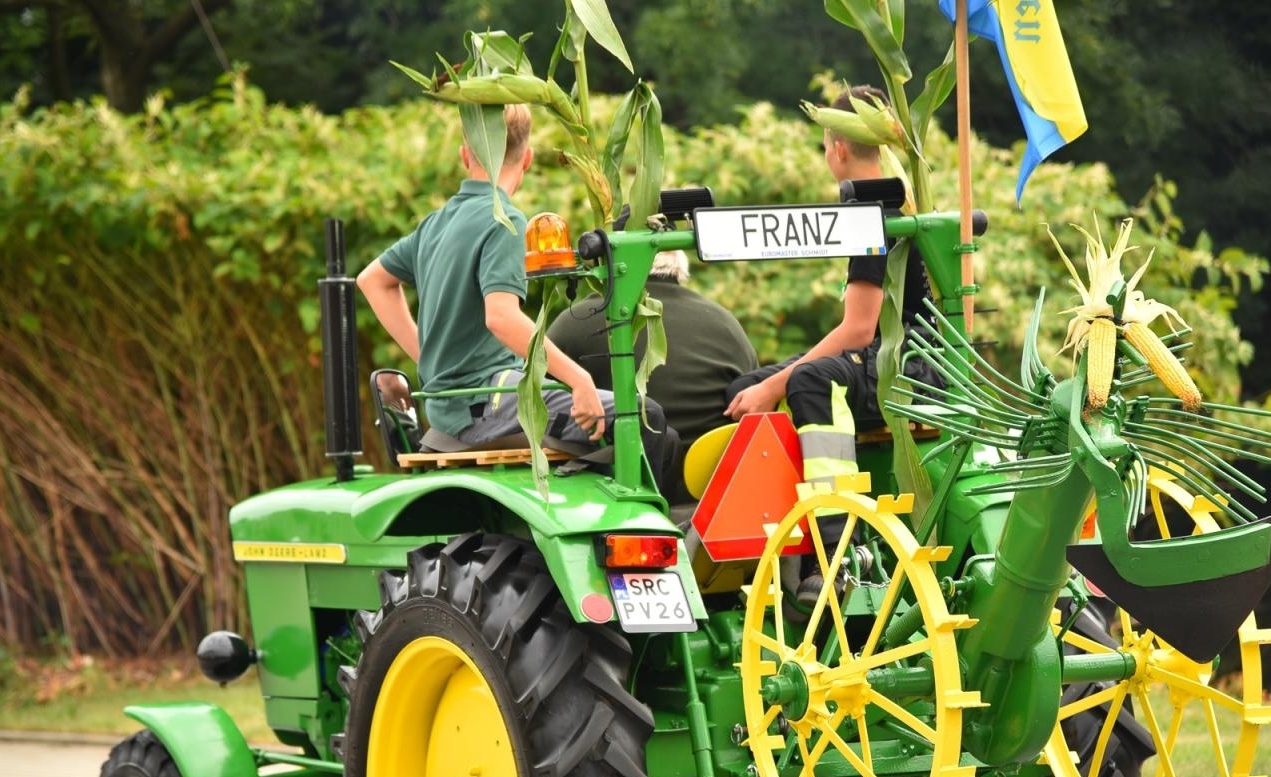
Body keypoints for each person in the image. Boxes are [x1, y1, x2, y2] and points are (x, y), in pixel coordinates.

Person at [356, 103, 677, 494]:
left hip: (452, 404)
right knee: (646, 418)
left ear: (464, 154)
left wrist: (427, 356)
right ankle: (646, 542)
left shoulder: (436, 223)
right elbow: (502, 318)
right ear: (526, 159)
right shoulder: (505, 220)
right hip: (488, 405)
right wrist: (578, 378)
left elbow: (372, 280)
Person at [723, 84, 940, 491]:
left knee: (809, 379)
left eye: (825, 148)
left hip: (906, 365)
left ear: (839, 149)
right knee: (744, 390)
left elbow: (858, 330)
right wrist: (765, 386)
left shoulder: (872, 215)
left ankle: (836, 524)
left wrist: (777, 384)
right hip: (879, 357)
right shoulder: (891, 202)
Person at [547, 249, 757, 501]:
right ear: (681, 264)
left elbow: (535, 400)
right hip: (713, 489)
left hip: (620, 487)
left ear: (606, 264)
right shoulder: (726, 322)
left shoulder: (577, 319)